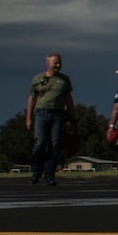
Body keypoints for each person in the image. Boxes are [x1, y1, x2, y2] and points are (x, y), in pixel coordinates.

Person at [23, 52, 73, 186]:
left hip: (58, 114)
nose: (58, 65)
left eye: (59, 63)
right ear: (48, 63)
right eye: (55, 63)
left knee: (55, 145)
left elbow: (68, 98)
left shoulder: (64, 80)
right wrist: (28, 118)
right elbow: (32, 98)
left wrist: (71, 115)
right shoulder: (38, 78)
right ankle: (36, 172)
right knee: (40, 144)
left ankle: (49, 175)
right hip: (41, 113)